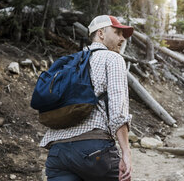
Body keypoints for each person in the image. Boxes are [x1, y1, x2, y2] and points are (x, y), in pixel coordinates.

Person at [39, 15, 134, 181]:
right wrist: (126, 153)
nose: (122, 38)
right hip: (93, 150)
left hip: (57, 154)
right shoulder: (113, 59)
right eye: (117, 32)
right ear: (101, 33)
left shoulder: (69, 62)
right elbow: (118, 112)